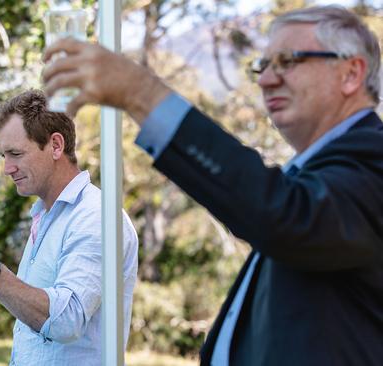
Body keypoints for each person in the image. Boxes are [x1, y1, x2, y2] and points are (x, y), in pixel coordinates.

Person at [42, 5, 382, 366]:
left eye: (287, 60)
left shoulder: (372, 159)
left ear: (350, 73)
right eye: (262, 66)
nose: (266, 80)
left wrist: (139, 92)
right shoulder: (321, 174)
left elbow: (283, 216)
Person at [0, 90, 139, 365]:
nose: (7, 168)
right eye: (3, 156)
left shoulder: (96, 216)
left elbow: (66, 321)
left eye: (16, 154)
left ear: (56, 145)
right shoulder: (45, 215)